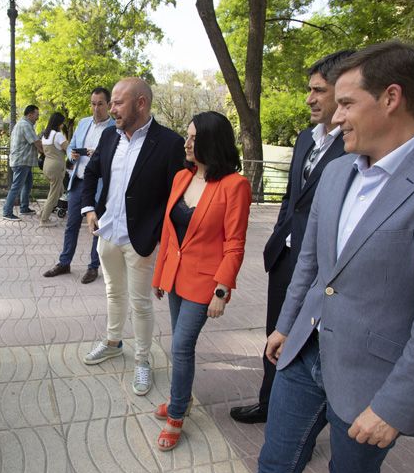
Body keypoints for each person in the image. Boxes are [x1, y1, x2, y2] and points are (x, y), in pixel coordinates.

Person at [248, 41, 414, 473]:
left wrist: (396, 406)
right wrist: (286, 325)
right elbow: (309, 265)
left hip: (374, 383)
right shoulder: (336, 173)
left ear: (391, 98)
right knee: (272, 469)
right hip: (302, 355)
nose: (335, 116)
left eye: (346, 103)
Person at [231, 49, 355, 425]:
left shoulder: (354, 146)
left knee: (311, 346)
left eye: (319, 90)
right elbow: (291, 197)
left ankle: (302, 422)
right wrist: (280, 234)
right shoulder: (306, 138)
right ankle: (269, 404)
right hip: (286, 259)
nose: (310, 98)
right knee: (277, 333)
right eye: (309, 89)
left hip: (323, 270)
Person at [151, 111, 251, 451]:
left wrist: (222, 290)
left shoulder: (234, 186)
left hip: (205, 283)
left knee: (180, 346)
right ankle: (182, 399)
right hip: (176, 278)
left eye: (194, 137)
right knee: (181, 346)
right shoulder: (182, 177)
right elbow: (169, 231)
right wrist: (160, 274)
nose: (187, 142)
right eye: (187, 135)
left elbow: (234, 243)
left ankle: (177, 413)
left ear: (213, 141)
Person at [80, 77, 185, 396]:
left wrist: (158, 237)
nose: (111, 109)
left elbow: (175, 196)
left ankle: (142, 361)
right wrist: (88, 208)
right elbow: (91, 172)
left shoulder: (169, 143)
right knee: (113, 293)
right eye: (110, 102)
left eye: (117, 102)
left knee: (140, 304)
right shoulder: (111, 137)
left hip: (142, 240)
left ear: (141, 103)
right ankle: (113, 342)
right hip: (108, 233)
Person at [43, 87, 115, 284]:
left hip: (99, 185)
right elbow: (71, 146)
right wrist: (72, 155)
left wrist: (99, 155)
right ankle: (64, 262)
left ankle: (93, 267)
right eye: (93, 104)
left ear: (108, 105)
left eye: (100, 104)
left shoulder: (114, 128)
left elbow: (115, 156)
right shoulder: (83, 123)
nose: (96, 108)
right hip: (78, 181)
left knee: (96, 225)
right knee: (71, 223)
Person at [2, 105, 41, 221]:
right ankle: (7, 212)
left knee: (28, 184)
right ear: (30, 115)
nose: (37, 118)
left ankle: (24, 208)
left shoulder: (23, 124)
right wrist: (47, 152)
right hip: (21, 161)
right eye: (36, 115)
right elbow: (36, 142)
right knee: (16, 187)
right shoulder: (25, 125)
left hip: (23, 161)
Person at [39, 112, 70, 226]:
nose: (63, 125)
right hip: (56, 167)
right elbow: (68, 149)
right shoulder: (58, 135)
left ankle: (43, 212)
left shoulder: (46, 135)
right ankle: (44, 219)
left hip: (47, 166)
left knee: (59, 191)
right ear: (59, 123)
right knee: (54, 194)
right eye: (62, 122)